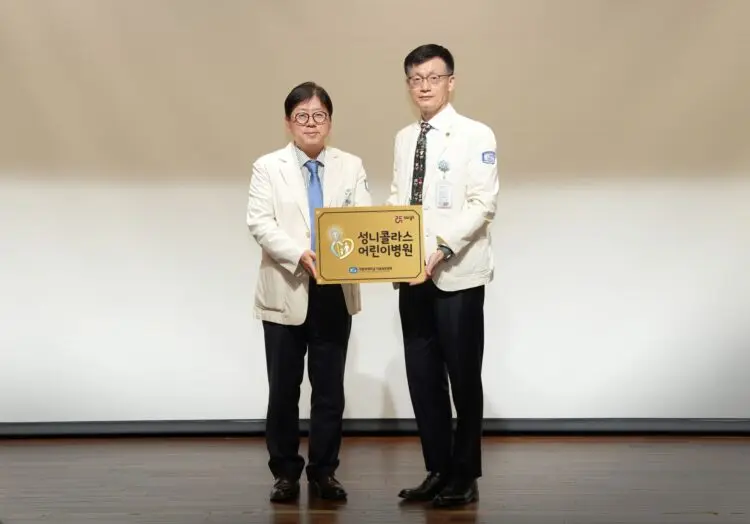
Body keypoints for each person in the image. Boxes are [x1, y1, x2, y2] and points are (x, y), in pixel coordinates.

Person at [246, 81, 372, 503]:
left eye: (319, 115)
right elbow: (260, 222)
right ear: (288, 122)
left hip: (334, 291)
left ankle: (324, 471)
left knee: (329, 390)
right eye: (302, 116)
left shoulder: (351, 165)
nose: (311, 123)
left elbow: (363, 219)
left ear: (330, 122)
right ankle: (285, 473)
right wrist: (299, 254)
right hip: (286, 287)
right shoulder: (268, 166)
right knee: (283, 390)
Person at [386, 44, 500, 507]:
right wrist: (389, 253)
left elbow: (483, 204)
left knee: (463, 378)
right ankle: (437, 469)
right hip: (411, 276)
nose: (424, 87)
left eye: (433, 78)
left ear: (451, 82)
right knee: (423, 377)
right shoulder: (403, 138)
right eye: (416, 79)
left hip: (456, 274)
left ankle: (465, 476)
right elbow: (399, 199)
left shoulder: (476, 134)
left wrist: (439, 250)